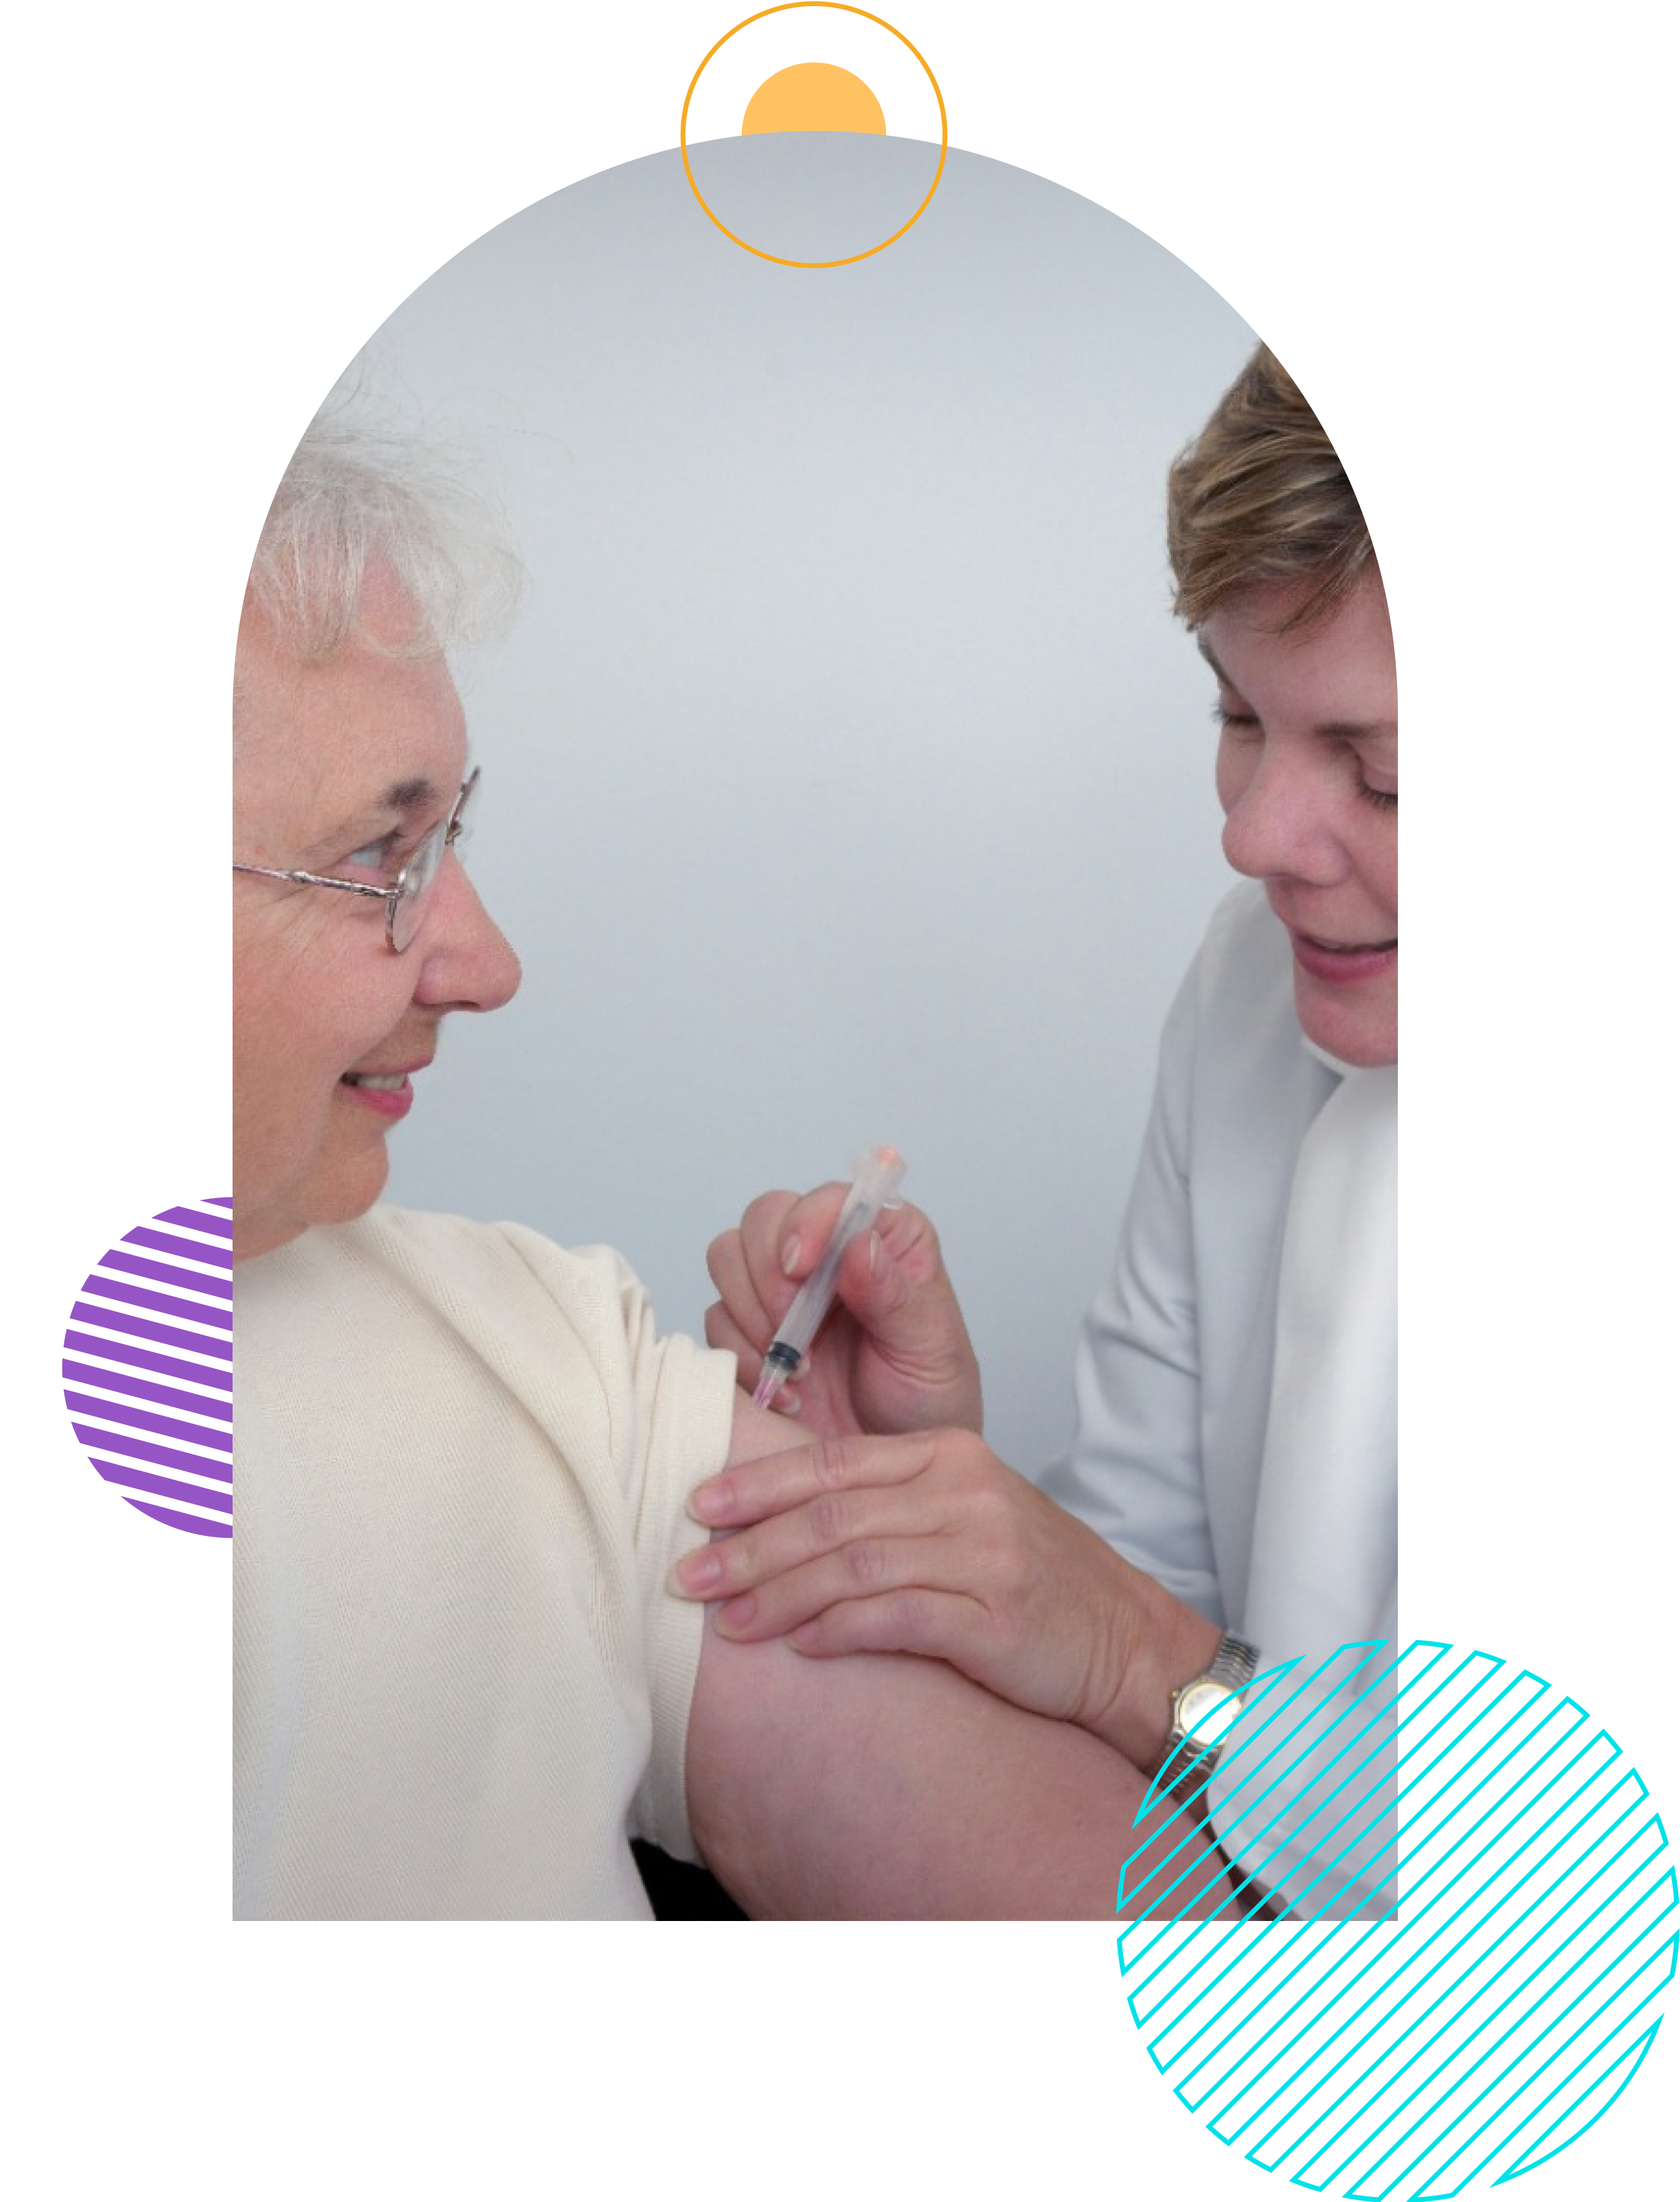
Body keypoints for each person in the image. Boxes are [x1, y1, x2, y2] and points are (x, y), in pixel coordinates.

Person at [231, 410, 1258, 1921]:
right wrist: (1140, 1654)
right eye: (382, 860)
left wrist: (1121, 1642)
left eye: (451, 838)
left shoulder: (536, 1367)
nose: (488, 964)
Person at [686, 347, 1397, 1922]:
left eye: (1379, 773)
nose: (1252, 835)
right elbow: (1144, 1660)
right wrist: (930, 1501)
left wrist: (1134, 1653)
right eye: (1237, 714)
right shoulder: (1254, 986)